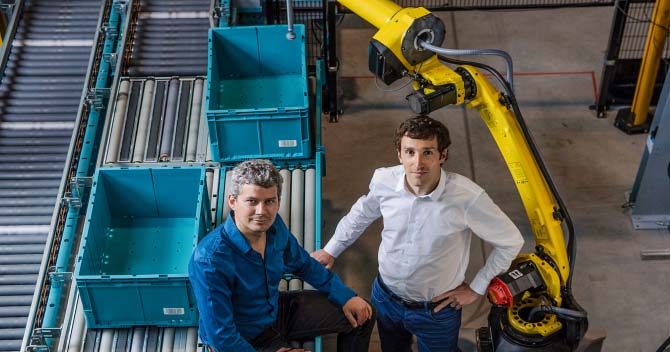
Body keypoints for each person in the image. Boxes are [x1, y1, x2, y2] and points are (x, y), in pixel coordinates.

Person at [312, 115, 524, 352]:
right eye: (410, 152)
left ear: (443, 155)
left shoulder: (467, 198)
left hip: (436, 311)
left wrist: (476, 287)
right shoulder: (384, 180)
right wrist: (331, 250)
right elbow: (361, 214)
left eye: (428, 152)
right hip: (386, 298)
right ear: (399, 154)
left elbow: (511, 241)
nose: (418, 163)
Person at [189, 159, 375, 352]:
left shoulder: (274, 227)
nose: (262, 212)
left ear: (278, 201)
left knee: (362, 313)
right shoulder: (210, 260)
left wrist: (344, 296)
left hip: (274, 311)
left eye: (270, 201)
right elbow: (222, 337)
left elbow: (303, 264)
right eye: (252, 201)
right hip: (242, 337)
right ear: (233, 201)